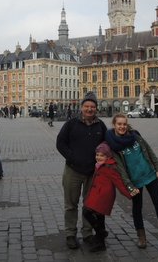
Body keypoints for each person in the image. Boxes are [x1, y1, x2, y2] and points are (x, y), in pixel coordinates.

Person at [106, 113, 158, 251]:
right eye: (119, 124)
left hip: (149, 174)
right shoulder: (113, 145)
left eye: (124, 124)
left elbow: (149, 151)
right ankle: (141, 237)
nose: (122, 127)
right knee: (137, 208)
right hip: (134, 181)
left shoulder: (135, 136)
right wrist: (129, 185)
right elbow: (120, 168)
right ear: (114, 125)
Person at [56, 91, 107, 249]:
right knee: (71, 204)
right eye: (87, 106)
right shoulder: (71, 123)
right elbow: (60, 143)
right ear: (82, 107)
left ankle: (87, 234)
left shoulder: (101, 125)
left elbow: (106, 145)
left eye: (92, 106)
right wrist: (72, 157)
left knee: (89, 205)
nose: (89, 109)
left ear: (96, 109)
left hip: (93, 172)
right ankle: (71, 234)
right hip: (73, 170)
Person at [82, 142, 137, 252]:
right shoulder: (99, 165)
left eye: (102, 155)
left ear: (108, 156)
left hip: (103, 196)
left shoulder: (110, 167)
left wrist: (129, 193)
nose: (98, 157)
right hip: (97, 194)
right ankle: (100, 241)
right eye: (97, 155)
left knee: (87, 212)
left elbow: (119, 182)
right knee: (99, 218)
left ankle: (101, 233)